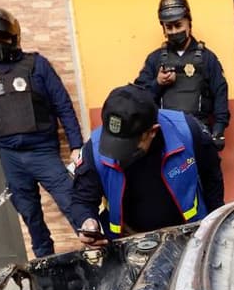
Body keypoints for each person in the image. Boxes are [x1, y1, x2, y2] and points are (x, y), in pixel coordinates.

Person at [0, 6, 84, 258]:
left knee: (73, 205)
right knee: (32, 219)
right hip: (11, 158)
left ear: (14, 37)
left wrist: (76, 146)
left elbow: (62, 105)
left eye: (2, 37)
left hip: (43, 152)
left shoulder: (37, 65)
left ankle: (98, 251)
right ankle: (48, 270)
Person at [70, 84, 223, 245]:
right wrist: (87, 220)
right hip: (129, 242)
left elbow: (212, 176)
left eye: (127, 146)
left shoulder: (187, 132)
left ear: (152, 132)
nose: (119, 154)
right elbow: (82, 200)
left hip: (188, 236)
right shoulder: (93, 150)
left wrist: (215, 224)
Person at [133, 0, 230, 151]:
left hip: (198, 134)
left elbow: (220, 93)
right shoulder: (155, 59)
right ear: (163, 28)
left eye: (178, 25)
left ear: (189, 23)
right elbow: (139, 98)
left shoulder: (207, 58)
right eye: (169, 27)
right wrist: (157, 83)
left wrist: (218, 130)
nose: (173, 31)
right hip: (165, 137)